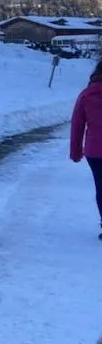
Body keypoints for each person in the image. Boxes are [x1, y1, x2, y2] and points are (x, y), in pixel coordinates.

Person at [69, 58, 102, 241]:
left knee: (101, 187)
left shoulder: (86, 94)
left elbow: (77, 125)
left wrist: (75, 151)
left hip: (95, 151)